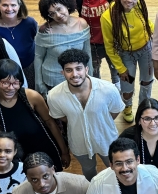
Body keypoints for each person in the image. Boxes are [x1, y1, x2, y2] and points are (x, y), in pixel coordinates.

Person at [48, 49, 125, 181]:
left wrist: (100, 121)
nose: (75, 74)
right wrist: (80, 120)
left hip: (107, 139)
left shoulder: (108, 89)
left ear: (87, 69)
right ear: (63, 73)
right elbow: (62, 116)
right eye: (69, 70)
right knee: (89, 170)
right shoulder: (54, 96)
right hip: (78, 142)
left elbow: (115, 110)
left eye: (78, 68)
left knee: (114, 169)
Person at [0, 59, 70, 171]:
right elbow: (2, 139)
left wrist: (64, 152)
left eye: (15, 83)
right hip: (20, 157)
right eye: (5, 83)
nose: (10, 88)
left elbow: (51, 123)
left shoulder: (32, 96)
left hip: (46, 147)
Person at [69, 0, 146, 84]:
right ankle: (98, 94)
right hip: (92, 43)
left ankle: (122, 97)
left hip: (114, 40)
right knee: (93, 73)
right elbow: (55, 6)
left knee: (118, 71)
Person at [101, 0, 154, 123]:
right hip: (126, 55)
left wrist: (154, 34)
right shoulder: (108, 16)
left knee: (146, 82)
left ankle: (144, 107)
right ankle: (128, 107)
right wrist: (120, 67)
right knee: (127, 86)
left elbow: (147, 23)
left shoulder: (139, 6)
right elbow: (109, 46)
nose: (130, 0)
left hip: (146, 51)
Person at [35, 0, 92, 96]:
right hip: (53, 78)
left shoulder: (82, 24)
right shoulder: (46, 30)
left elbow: (87, 53)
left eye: (59, 9)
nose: (58, 15)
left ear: (67, 5)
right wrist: (38, 81)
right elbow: (38, 57)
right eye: (52, 14)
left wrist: (91, 76)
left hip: (78, 76)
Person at [0, 0, 38, 89]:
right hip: (6, 71)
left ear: (19, 5)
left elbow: (39, 41)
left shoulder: (29, 23)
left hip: (29, 66)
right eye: (5, 5)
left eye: (13, 5)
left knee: (31, 90)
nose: (9, 9)